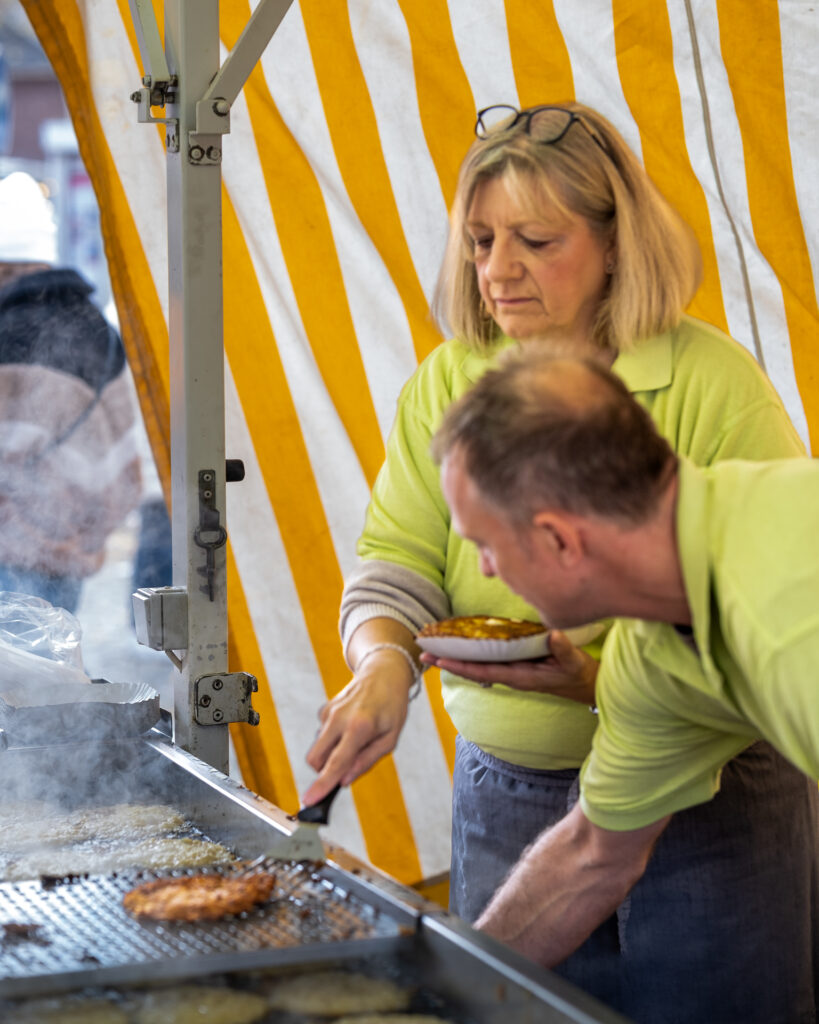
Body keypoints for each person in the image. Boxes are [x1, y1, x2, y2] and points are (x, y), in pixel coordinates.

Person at [303, 103, 816, 1020]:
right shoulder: (663, 665)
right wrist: (421, 1002)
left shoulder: (777, 606)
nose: (499, 270)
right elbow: (590, 857)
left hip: (725, 798)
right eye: (481, 240)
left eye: (535, 241)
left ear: (565, 536)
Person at [430, 348, 819, 992]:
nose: (487, 571)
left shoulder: (786, 616)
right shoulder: (655, 649)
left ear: (559, 539)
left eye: (486, 546)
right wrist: (440, 989)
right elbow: (592, 856)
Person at [0, 171, 141, 613]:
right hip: (70, 555)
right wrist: (86, 539)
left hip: (10, 556)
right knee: (50, 668)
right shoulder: (99, 330)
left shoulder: (7, 334)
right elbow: (124, 455)